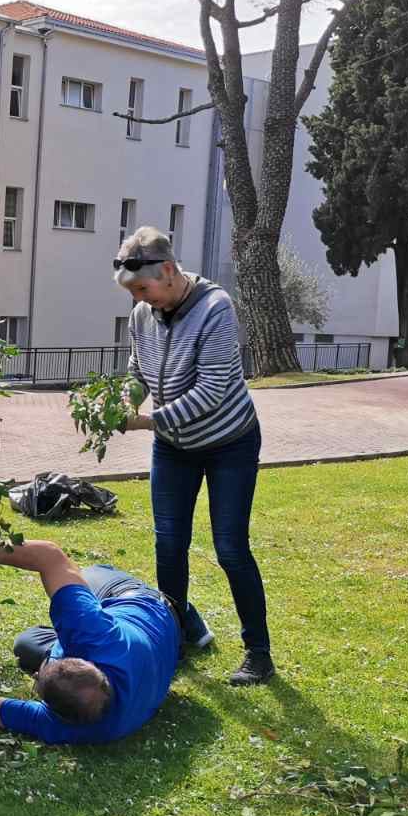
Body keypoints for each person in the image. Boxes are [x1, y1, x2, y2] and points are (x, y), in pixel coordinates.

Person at [114, 226, 273, 686]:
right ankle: (175, 637)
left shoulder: (215, 308)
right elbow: (136, 372)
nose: (142, 299)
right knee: (168, 542)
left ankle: (258, 654)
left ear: (168, 270)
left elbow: (213, 389)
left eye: (144, 288)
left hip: (230, 443)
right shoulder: (142, 314)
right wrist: (128, 402)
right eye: (134, 293)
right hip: (174, 446)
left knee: (230, 547)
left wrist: (148, 422)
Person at [0, 540, 200, 745]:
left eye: (40, 672)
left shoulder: (64, 726)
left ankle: (182, 619)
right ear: (88, 663)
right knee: (82, 577)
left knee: (28, 643)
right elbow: (52, 557)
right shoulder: (96, 634)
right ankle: (187, 616)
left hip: (153, 638)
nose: (40, 669)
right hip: (143, 606)